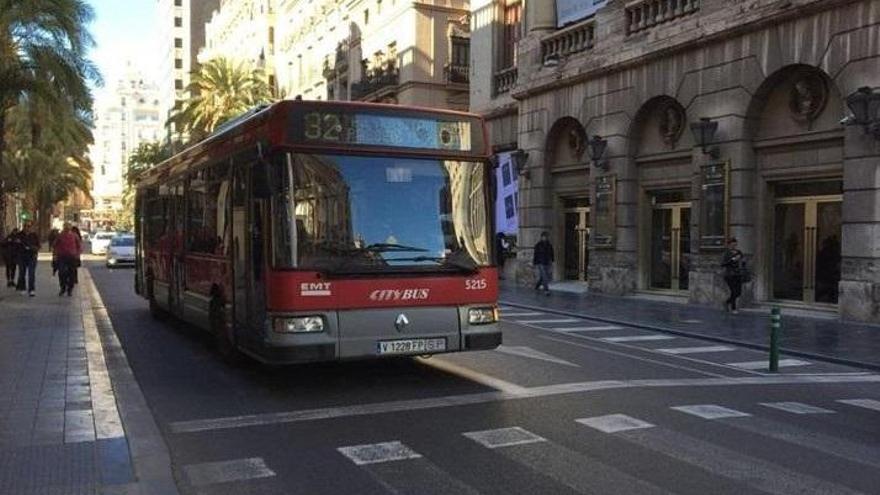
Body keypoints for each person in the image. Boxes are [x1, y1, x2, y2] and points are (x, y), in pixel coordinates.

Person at [53, 223, 81, 296]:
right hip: (62, 257)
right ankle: (63, 287)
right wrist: (55, 255)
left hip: (72, 257)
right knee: (61, 273)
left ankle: (70, 289)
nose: (66, 229)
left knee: (71, 274)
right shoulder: (60, 236)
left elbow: (79, 246)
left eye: (68, 228)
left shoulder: (74, 236)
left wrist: (77, 255)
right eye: (65, 227)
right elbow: (55, 245)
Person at [721, 237, 745, 313]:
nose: (734, 246)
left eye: (735, 244)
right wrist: (733, 260)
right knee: (733, 291)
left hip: (738, 274)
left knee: (739, 292)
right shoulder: (726, 253)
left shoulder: (739, 252)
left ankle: (727, 302)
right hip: (729, 275)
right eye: (732, 244)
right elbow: (723, 264)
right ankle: (733, 308)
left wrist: (743, 261)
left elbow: (743, 261)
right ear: (729, 245)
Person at [16, 222, 40, 296]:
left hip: (31, 256)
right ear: (23, 227)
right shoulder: (19, 235)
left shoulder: (34, 235)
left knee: (31, 274)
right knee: (22, 273)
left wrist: (32, 248)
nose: (27, 228)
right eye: (26, 226)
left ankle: (31, 289)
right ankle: (23, 288)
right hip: (22, 256)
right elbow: (16, 245)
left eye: (29, 226)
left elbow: (38, 246)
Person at [532, 231, 554, 296]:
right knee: (544, 276)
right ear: (541, 237)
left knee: (543, 276)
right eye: (544, 237)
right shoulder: (538, 245)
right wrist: (534, 263)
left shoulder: (549, 245)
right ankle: (546, 290)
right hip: (540, 262)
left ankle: (537, 285)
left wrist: (552, 261)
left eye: (546, 237)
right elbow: (535, 254)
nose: (545, 238)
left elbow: (552, 253)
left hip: (547, 262)